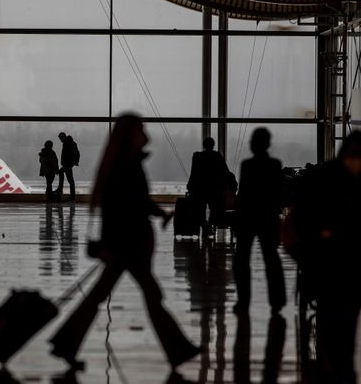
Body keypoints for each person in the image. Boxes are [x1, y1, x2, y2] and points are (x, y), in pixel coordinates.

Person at [48, 114, 201, 371]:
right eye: (141, 129)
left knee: (103, 295)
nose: (146, 134)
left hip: (124, 243)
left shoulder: (121, 163)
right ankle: (178, 349)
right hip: (128, 244)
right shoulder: (126, 165)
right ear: (131, 134)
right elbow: (131, 203)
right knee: (151, 295)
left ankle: (66, 343)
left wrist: (158, 214)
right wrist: (156, 215)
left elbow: (128, 202)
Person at [301, 131, 361, 384]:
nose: (357, 162)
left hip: (343, 271)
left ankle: (336, 371)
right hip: (338, 270)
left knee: (339, 328)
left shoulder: (332, 178)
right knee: (338, 328)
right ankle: (339, 371)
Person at [232, 127, 286, 316]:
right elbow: (278, 194)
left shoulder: (247, 165)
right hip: (268, 217)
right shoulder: (275, 165)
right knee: (271, 259)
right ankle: (277, 301)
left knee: (241, 260)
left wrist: (238, 217)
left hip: (248, 217)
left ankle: (243, 301)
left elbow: (243, 194)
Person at [186, 137, 233, 229]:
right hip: (214, 188)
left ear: (204, 145)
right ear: (213, 145)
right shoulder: (217, 156)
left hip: (200, 188)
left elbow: (193, 173)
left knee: (200, 210)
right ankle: (210, 225)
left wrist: (191, 185)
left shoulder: (197, 156)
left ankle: (205, 226)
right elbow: (225, 172)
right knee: (214, 209)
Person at [55, 132, 80, 201]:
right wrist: (75, 162)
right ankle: (69, 194)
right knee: (68, 177)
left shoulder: (67, 143)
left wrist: (70, 162)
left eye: (60, 139)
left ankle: (70, 195)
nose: (60, 140)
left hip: (67, 163)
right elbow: (77, 153)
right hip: (69, 163)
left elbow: (68, 154)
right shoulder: (71, 143)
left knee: (70, 179)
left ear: (63, 137)